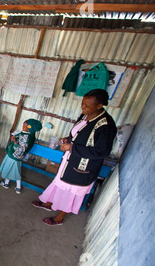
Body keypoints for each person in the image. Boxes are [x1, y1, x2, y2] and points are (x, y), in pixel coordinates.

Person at [32, 89, 117, 226]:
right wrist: (68, 139)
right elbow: (78, 134)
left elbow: (101, 152)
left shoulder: (106, 126)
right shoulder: (85, 115)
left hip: (83, 167)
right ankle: (49, 203)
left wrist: (72, 147)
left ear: (99, 106)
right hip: (70, 161)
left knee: (72, 192)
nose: (83, 107)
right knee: (60, 183)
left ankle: (60, 217)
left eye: (87, 106)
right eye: (82, 104)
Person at [0, 119, 42, 194]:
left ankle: (11, 185)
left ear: (29, 128)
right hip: (18, 157)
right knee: (15, 170)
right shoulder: (31, 135)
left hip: (14, 155)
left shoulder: (27, 137)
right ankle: (13, 185)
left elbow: (21, 148)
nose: (22, 126)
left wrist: (15, 141)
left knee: (12, 170)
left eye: (24, 126)